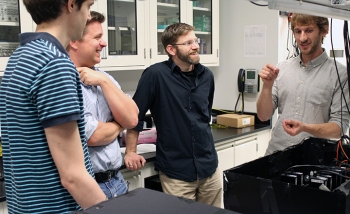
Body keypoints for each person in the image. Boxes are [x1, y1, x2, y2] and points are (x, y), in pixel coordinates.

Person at [0, 0, 108, 213]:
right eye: (87, 6)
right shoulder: (54, 64)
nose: (88, 16)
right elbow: (73, 176)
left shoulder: (20, 57)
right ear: (70, 5)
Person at [125, 22, 222, 208]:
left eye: (195, 40)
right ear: (171, 49)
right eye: (188, 43)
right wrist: (131, 152)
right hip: (177, 172)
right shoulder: (155, 75)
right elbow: (134, 116)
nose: (195, 46)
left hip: (209, 167)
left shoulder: (207, 76)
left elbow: (205, 114)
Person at [67, 11, 142, 199]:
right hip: (89, 187)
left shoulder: (104, 77)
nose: (104, 43)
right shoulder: (65, 81)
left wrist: (103, 81)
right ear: (74, 41)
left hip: (116, 181)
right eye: (97, 37)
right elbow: (94, 136)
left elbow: (132, 118)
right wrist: (119, 123)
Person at [257, 13, 350, 155]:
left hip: (312, 161)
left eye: (309, 30)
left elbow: (339, 128)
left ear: (324, 31)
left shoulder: (340, 74)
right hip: (275, 156)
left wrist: (305, 128)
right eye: (298, 31)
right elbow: (263, 116)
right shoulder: (282, 68)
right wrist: (267, 86)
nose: (302, 38)